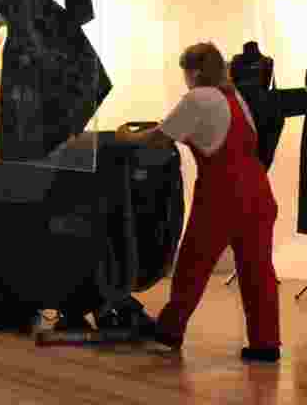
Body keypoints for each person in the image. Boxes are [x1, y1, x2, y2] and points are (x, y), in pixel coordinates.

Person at [116, 42, 280, 362]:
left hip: (222, 194)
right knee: (257, 271)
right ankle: (266, 344)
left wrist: (126, 137)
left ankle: (169, 331)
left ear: (193, 71)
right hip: (259, 193)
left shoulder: (197, 98)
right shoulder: (233, 97)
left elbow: (158, 139)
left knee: (193, 265)